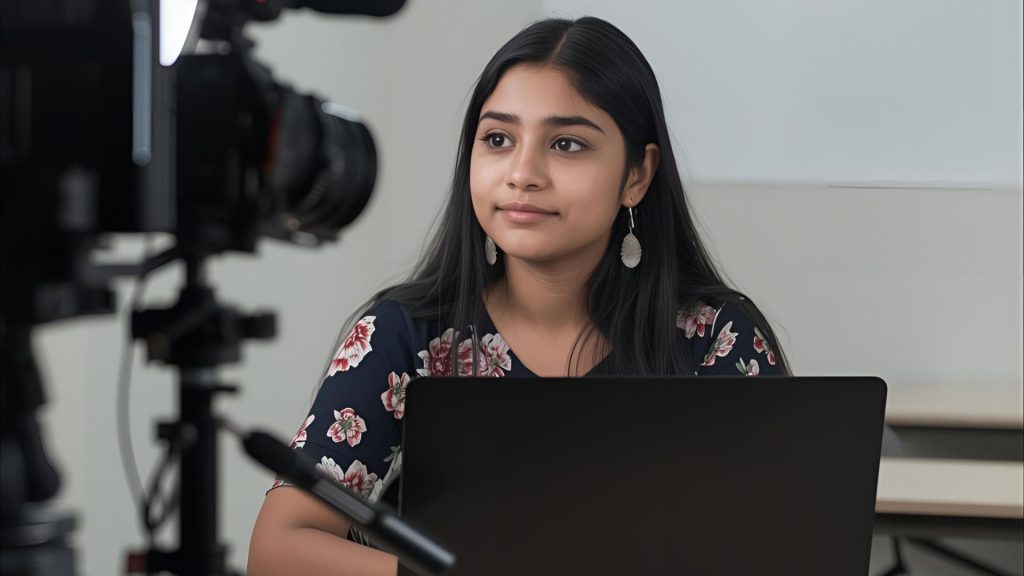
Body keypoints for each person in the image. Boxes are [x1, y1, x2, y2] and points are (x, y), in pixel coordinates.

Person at [248, 15, 789, 576]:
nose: (522, 173)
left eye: (567, 144)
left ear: (637, 174)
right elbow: (279, 549)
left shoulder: (715, 340)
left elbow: (785, 544)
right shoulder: (407, 333)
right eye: (498, 139)